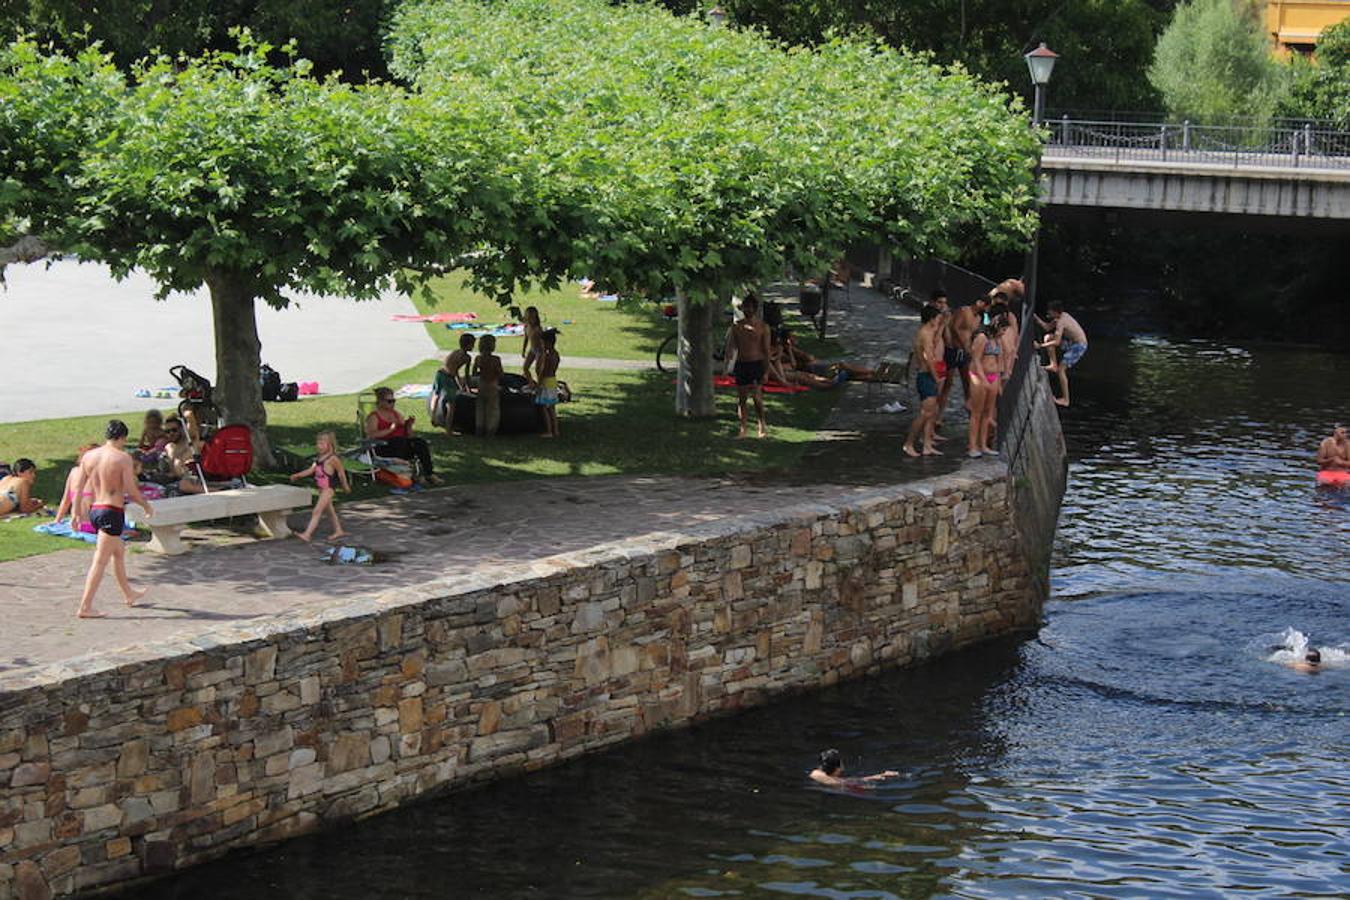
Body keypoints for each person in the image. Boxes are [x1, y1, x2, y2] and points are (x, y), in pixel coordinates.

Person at [73, 420, 153, 618]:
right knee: (100, 561)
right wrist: (145, 505)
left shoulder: (89, 456)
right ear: (123, 438)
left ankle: (129, 593)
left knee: (118, 551)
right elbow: (130, 490)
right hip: (111, 511)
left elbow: (79, 488)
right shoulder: (122, 458)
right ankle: (85, 606)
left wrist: (75, 512)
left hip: (95, 509)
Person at [364, 387, 441, 485]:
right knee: (398, 441)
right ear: (380, 401)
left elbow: (409, 435)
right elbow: (371, 435)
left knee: (419, 442)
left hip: (401, 446)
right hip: (384, 447)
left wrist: (408, 426)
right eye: (389, 401)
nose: (392, 404)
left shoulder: (396, 414)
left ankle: (429, 474)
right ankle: (410, 476)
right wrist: (390, 429)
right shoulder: (373, 416)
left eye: (393, 401)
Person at [936, 294, 990, 421]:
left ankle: (971, 415)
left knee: (967, 383)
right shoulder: (964, 311)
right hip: (954, 350)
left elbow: (974, 333)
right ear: (980, 303)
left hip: (965, 353)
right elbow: (955, 327)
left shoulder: (979, 318)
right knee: (947, 384)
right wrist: (964, 345)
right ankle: (938, 416)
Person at [290, 431, 350, 542]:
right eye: (318, 444)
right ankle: (338, 530)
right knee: (330, 512)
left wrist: (345, 486)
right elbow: (311, 470)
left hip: (328, 489)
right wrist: (298, 475)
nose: (319, 446)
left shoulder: (333, 459)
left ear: (330, 444)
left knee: (316, 511)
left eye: (322, 444)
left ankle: (307, 534)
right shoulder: (320, 458)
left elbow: (341, 474)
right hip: (321, 490)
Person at [903, 304, 945, 458]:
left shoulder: (929, 331)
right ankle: (909, 443)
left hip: (927, 375)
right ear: (932, 319)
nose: (939, 321)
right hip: (926, 376)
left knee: (931, 411)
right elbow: (928, 359)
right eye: (938, 319)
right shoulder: (925, 334)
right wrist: (936, 377)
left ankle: (927, 445)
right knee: (924, 413)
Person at [728, 293, 772, 438]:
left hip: (756, 364)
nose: (747, 310)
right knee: (741, 399)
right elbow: (731, 348)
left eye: (750, 307)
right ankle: (743, 429)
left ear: (754, 309)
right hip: (741, 365)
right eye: (745, 307)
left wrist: (766, 371)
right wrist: (727, 366)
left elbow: (766, 351)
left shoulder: (763, 327)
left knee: (757, 398)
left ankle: (762, 426)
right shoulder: (736, 326)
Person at [968, 315, 1007, 458]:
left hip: (993, 376)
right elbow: (976, 360)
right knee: (976, 413)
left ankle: (983, 445)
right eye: (1003, 329)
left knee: (987, 413)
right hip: (979, 375)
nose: (1004, 333)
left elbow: (1000, 359)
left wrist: (999, 378)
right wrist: (983, 379)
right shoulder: (982, 338)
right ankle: (973, 446)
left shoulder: (997, 340)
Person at [1036, 301, 1088, 408]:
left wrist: (1040, 346)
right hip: (1072, 343)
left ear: (1056, 312)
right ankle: (1053, 364)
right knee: (1048, 337)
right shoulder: (1060, 317)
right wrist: (1036, 318)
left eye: (1050, 312)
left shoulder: (1061, 322)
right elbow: (1047, 327)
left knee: (1061, 370)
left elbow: (1057, 342)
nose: (1048, 313)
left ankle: (1065, 400)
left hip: (1079, 346)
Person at [433, 334, 476, 437]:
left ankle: (433, 417)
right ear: (469, 345)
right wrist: (468, 389)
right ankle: (448, 431)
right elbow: (466, 374)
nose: (473, 347)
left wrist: (459, 384)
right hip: (448, 378)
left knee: (436, 395)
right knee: (451, 406)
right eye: (473, 344)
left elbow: (453, 368)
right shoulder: (467, 357)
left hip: (440, 373)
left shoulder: (454, 352)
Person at [53, 444, 100, 527]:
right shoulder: (97, 476)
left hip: (76, 524)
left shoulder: (73, 472)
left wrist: (57, 520)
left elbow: (65, 501)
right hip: (93, 525)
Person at [809, 749, 898, 788]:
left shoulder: (815, 774)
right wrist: (881, 775)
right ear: (838, 768)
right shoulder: (834, 783)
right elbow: (851, 782)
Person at [472, 333, 504, 438]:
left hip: (481, 383)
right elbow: (500, 373)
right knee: (493, 409)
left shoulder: (478, 358)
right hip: (493, 384)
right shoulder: (496, 359)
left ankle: (479, 428)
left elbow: (474, 373)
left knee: (480, 408)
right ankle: (490, 431)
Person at [534, 328, 562, 438]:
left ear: (547, 343)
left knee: (544, 408)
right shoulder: (556, 354)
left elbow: (542, 371)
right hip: (553, 381)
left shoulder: (546, 355)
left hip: (546, 382)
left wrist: (538, 384)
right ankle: (556, 430)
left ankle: (549, 430)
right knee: (552, 408)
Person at [521, 306, 544, 383]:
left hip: (540, 351)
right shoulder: (527, 326)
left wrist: (544, 353)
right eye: (528, 317)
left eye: (532, 317)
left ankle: (540, 385)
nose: (530, 320)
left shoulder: (538, 328)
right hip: (532, 349)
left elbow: (543, 340)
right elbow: (526, 338)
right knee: (525, 368)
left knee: (538, 370)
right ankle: (531, 383)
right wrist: (523, 350)